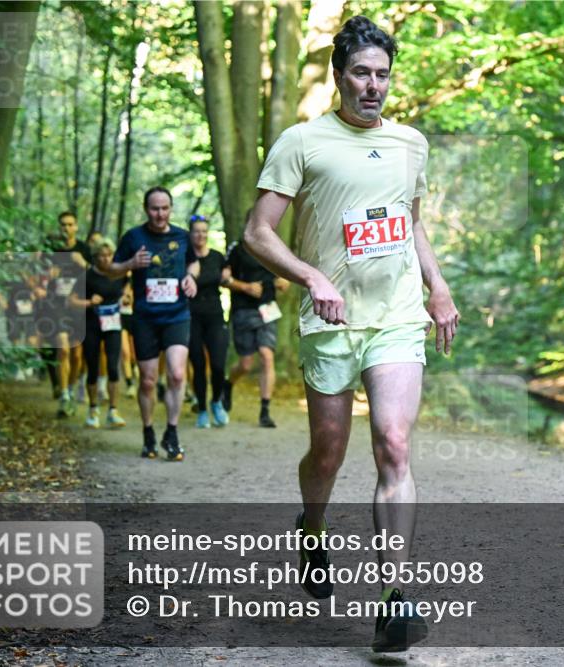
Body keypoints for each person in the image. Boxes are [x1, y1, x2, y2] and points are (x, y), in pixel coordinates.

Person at [243, 16, 459, 652]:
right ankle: (312, 528)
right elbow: (258, 233)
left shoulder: (410, 144)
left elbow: (410, 222)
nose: (374, 86)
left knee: (393, 446)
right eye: (362, 73)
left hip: (395, 316)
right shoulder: (302, 142)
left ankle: (395, 598)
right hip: (331, 319)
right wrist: (312, 277)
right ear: (339, 77)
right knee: (329, 451)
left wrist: (437, 288)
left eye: (383, 75)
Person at [107, 186, 198, 461]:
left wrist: (191, 278)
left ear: (171, 209)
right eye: (155, 209)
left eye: (165, 208)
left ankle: (172, 432)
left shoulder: (183, 237)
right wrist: (131, 263)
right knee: (147, 381)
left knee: (177, 374)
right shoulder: (133, 237)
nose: (160, 214)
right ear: (147, 210)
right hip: (145, 317)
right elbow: (111, 269)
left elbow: (194, 264)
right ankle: (148, 433)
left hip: (177, 315)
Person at [222, 219, 287, 428]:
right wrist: (245, 287)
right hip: (244, 310)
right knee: (246, 364)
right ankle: (228, 384)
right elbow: (224, 280)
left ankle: (265, 411)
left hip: (268, 310)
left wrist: (284, 281)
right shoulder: (237, 248)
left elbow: (285, 274)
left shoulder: (273, 247)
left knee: (267, 357)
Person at [68, 238, 128, 428]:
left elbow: (128, 287)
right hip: (91, 324)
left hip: (113, 325)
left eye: (109, 255)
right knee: (92, 367)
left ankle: (113, 410)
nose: (105, 259)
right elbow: (71, 301)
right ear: (94, 257)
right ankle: (93, 409)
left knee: (112, 366)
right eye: (101, 255)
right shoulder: (86, 277)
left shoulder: (119, 274)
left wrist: (127, 296)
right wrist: (89, 302)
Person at [44, 211, 91, 417]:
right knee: (63, 350)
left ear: (76, 227)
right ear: (59, 227)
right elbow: (37, 279)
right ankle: (64, 396)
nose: (66, 228)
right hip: (57, 306)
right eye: (63, 225)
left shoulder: (83, 249)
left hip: (78, 306)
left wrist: (84, 264)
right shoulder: (50, 250)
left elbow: (98, 273)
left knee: (78, 355)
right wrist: (47, 275)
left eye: (70, 224)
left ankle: (70, 389)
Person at [186, 214, 229, 428]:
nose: (200, 235)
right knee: (198, 364)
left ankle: (216, 402)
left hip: (214, 315)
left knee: (219, 365)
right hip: (191, 316)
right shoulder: (185, 258)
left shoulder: (217, 257)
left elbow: (227, 277)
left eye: (204, 231)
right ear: (190, 234)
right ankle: (202, 409)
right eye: (196, 231)